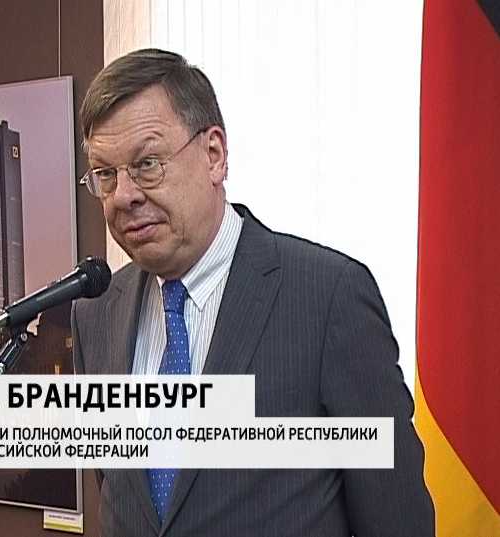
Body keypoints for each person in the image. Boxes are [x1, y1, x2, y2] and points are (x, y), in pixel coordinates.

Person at [72, 48, 434, 537]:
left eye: (148, 164)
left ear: (214, 155)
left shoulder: (328, 297)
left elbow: (398, 521)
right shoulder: (97, 313)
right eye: (105, 174)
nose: (123, 195)